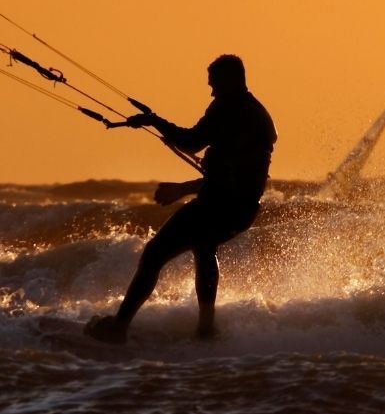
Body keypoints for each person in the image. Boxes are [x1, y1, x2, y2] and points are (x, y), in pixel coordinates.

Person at [86, 54, 276, 343]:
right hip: (242, 209)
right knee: (204, 246)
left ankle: (119, 327)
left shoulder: (229, 109)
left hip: (220, 204)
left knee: (153, 254)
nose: (211, 90)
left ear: (228, 80)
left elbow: (193, 142)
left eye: (213, 84)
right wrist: (158, 125)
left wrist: (155, 124)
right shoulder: (252, 110)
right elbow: (224, 163)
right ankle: (206, 329)